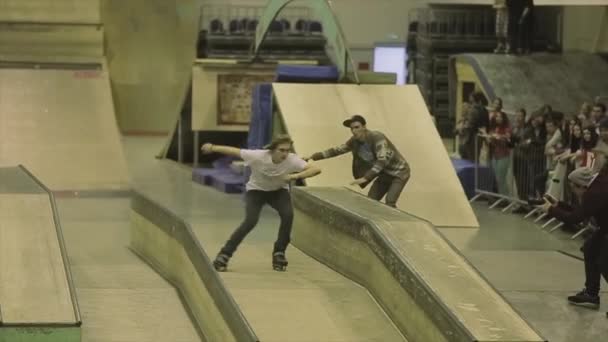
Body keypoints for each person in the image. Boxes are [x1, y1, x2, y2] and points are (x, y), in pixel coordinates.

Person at [200, 135, 322, 272]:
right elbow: (234, 151)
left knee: (288, 215)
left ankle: (279, 252)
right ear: (272, 150)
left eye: (287, 150)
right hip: (256, 191)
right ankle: (224, 254)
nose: (285, 154)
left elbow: (316, 169)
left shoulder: (292, 160)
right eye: (281, 150)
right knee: (250, 221)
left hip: (278, 192)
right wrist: (212, 147)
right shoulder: (258, 156)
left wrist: (295, 176)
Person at [541, 167, 608, 314]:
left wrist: (550, 211)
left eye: (573, 189)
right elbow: (581, 211)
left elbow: (574, 219)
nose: (573, 192)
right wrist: (558, 205)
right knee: (590, 249)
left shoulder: (594, 193)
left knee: (604, 262)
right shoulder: (595, 185)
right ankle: (591, 294)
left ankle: (591, 293)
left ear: (581, 185)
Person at [305, 115, 410, 208]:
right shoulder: (354, 141)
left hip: (399, 172)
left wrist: (366, 177)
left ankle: (393, 228)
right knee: (370, 202)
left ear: (364, 127)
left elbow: (382, 160)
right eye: (351, 129)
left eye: (357, 127)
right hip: (384, 173)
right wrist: (313, 156)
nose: (354, 131)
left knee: (389, 202)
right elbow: (337, 150)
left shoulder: (377, 137)